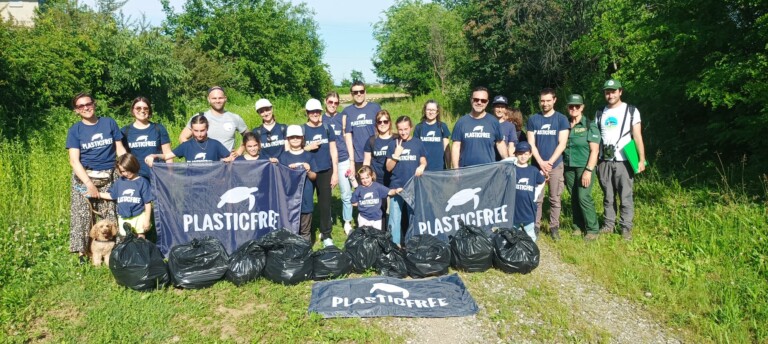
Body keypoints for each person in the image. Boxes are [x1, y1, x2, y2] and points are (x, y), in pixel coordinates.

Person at [66, 92, 126, 264]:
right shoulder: (75, 130)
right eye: (81, 106)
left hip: (109, 174)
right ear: (76, 110)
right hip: (84, 177)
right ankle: (82, 253)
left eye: (88, 104)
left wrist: (126, 170)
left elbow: (120, 150)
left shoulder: (109, 123)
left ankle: (115, 250)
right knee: (82, 214)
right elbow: (74, 161)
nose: (86, 108)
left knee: (110, 213)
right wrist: (88, 184)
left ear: (94, 104)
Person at [596, 79, 646, 241]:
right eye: (607, 92)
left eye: (613, 91)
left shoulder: (631, 111)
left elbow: (637, 137)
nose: (610, 94)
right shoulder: (600, 113)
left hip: (624, 161)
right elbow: (595, 140)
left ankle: (625, 228)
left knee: (625, 196)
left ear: (620, 92)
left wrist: (641, 160)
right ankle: (609, 225)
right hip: (604, 161)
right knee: (608, 196)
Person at [526, 88, 569, 240]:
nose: (545, 104)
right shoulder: (533, 119)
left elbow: (562, 144)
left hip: (555, 164)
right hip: (537, 165)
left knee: (555, 198)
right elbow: (531, 143)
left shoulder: (561, 119)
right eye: (542, 101)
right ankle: (535, 226)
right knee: (537, 198)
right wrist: (541, 163)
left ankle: (554, 227)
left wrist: (549, 163)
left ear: (554, 100)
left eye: (548, 100)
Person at [563, 94, 601, 241]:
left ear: (582, 107)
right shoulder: (564, 124)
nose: (573, 108)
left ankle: (592, 229)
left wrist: (588, 170)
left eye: (577, 106)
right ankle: (578, 226)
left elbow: (595, 150)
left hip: (584, 167)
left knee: (583, 196)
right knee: (573, 197)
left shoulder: (589, 125)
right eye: (571, 106)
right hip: (568, 167)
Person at [386, 116, 427, 246]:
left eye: (405, 129)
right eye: (400, 129)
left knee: (413, 217)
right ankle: (395, 246)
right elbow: (388, 168)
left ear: (411, 128)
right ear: (396, 129)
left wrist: (422, 166)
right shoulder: (393, 144)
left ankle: (412, 245)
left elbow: (423, 159)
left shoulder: (417, 143)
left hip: (413, 187)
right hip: (397, 187)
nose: (403, 132)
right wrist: (396, 155)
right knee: (394, 219)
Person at [278, 125, 322, 246]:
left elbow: (314, 177)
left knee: (305, 231)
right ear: (288, 139)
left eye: (298, 137)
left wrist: (308, 170)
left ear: (302, 138)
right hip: (290, 200)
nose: (295, 139)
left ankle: (305, 254)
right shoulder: (284, 156)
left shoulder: (309, 156)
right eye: (292, 137)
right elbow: (281, 179)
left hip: (305, 199)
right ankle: (291, 252)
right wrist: (288, 171)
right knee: (290, 231)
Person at [302, 98, 338, 243]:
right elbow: (294, 149)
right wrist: (307, 148)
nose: (315, 114)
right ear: (307, 113)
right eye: (312, 111)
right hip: (307, 171)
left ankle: (326, 234)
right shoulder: (302, 129)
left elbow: (333, 150)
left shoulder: (327, 128)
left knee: (325, 204)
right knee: (306, 204)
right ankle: (305, 234)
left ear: (321, 112)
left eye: (317, 111)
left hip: (325, 170)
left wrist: (335, 172)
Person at [179, 86, 248, 155]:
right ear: (209, 99)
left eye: (220, 98)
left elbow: (248, 136)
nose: (217, 101)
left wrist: (239, 151)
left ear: (225, 98)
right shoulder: (200, 117)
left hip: (228, 162)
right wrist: (195, 150)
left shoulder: (234, 118)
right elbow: (183, 137)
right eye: (214, 98)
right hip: (205, 163)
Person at [98, 154, 154, 239]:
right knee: (125, 239)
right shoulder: (120, 182)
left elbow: (147, 203)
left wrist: (147, 220)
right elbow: (112, 195)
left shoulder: (143, 182)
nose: (126, 173)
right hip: (123, 217)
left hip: (139, 216)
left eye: (128, 170)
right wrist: (97, 194)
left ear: (134, 167)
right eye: (123, 171)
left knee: (140, 238)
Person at [451, 86, 508, 168]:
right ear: (471, 100)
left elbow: (500, 143)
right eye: (476, 99)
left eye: (483, 100)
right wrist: (455, 170)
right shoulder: (461, 122)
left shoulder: (493, 122)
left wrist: (506, 161)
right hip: (466, 171)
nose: (479, 102)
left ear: (487, 102)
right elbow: (456, 146)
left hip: (488, 171)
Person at [144, 115, 233, 166]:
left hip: (212, 185)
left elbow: (231, 158)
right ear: (191, 130)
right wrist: (154, 155)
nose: (199, 134)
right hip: (191, 187)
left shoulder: (215, 144)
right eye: (196, 131)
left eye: (202, 130)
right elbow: (167, 156)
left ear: (207, 128)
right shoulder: (186, 145)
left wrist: (229, 159)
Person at [323, 91, 354, 233]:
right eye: (330, 102)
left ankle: (347, 222)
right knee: (325, 195)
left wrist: (351, 160)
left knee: (346, 193)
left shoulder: (343, 118)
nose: (333, 105)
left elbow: (348, 139)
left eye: (336, 103)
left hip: (342, 159)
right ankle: (327, 222)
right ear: (325, 102)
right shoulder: (320, 119)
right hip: (325, 162)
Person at [121, 97, 173, 181]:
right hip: (135, 177)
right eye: (138, 108)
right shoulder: (125, 131)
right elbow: (121, 158)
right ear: (133, 110)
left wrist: (170, 175)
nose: (142, 111)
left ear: (149, 111)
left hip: (157, 176)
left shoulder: (159, 129)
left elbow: (168, 154)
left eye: (145, 108)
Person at [343, 81, 382, 180]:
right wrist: (352, 161)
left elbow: (382, 128)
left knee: (380, 188)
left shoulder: (375, 108)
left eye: (361, 91)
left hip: (376, 155)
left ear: (365, 92)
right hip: (359, 157)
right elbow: (347, 136)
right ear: (351, 94)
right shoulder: (347, 111)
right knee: (363, 189)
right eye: (355, 92)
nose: (359, 94)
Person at [512, 142, 546, 242]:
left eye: (526, 154)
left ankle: (531, 253)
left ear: (530, 155)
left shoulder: (533, 170)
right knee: (513, 233)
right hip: (514, 208)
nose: (523, 157)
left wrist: (536, 194)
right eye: (520, 154)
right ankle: (514, 252)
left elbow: (542, 181)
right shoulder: (511, 169)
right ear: (516, 154)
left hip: (528, 208)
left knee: (530, 233)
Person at [351, 166, 397, 230]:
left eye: (367, 177)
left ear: (371, 176)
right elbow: (353, 202)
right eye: (362, 178)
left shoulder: (377, 186)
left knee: (376, 236)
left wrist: (396, 191)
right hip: (363, 218)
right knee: (364, 237)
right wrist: (362, 204)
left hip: (377, 218)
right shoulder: (359, 189)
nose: (365, 180)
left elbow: (389, 192)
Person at [413, 100, 451, 170]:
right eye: (428, 110)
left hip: (440, 169)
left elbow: (447, 149)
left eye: (433, 110)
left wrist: (449, 167)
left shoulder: (442, 126)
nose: (430, 112)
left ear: (437, 112)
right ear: (425, 111)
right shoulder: (419, 127)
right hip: (423, 169)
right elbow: (415, 149)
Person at [363, 110, 395, 187]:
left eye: (385, 121)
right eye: (379, 122)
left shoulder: (396, 139)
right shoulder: (371, 140)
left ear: (389, 122)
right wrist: (365, 177)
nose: (382, 124)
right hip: (377, 180)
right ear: (376, 124)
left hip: (394, 179)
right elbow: (367, 161)